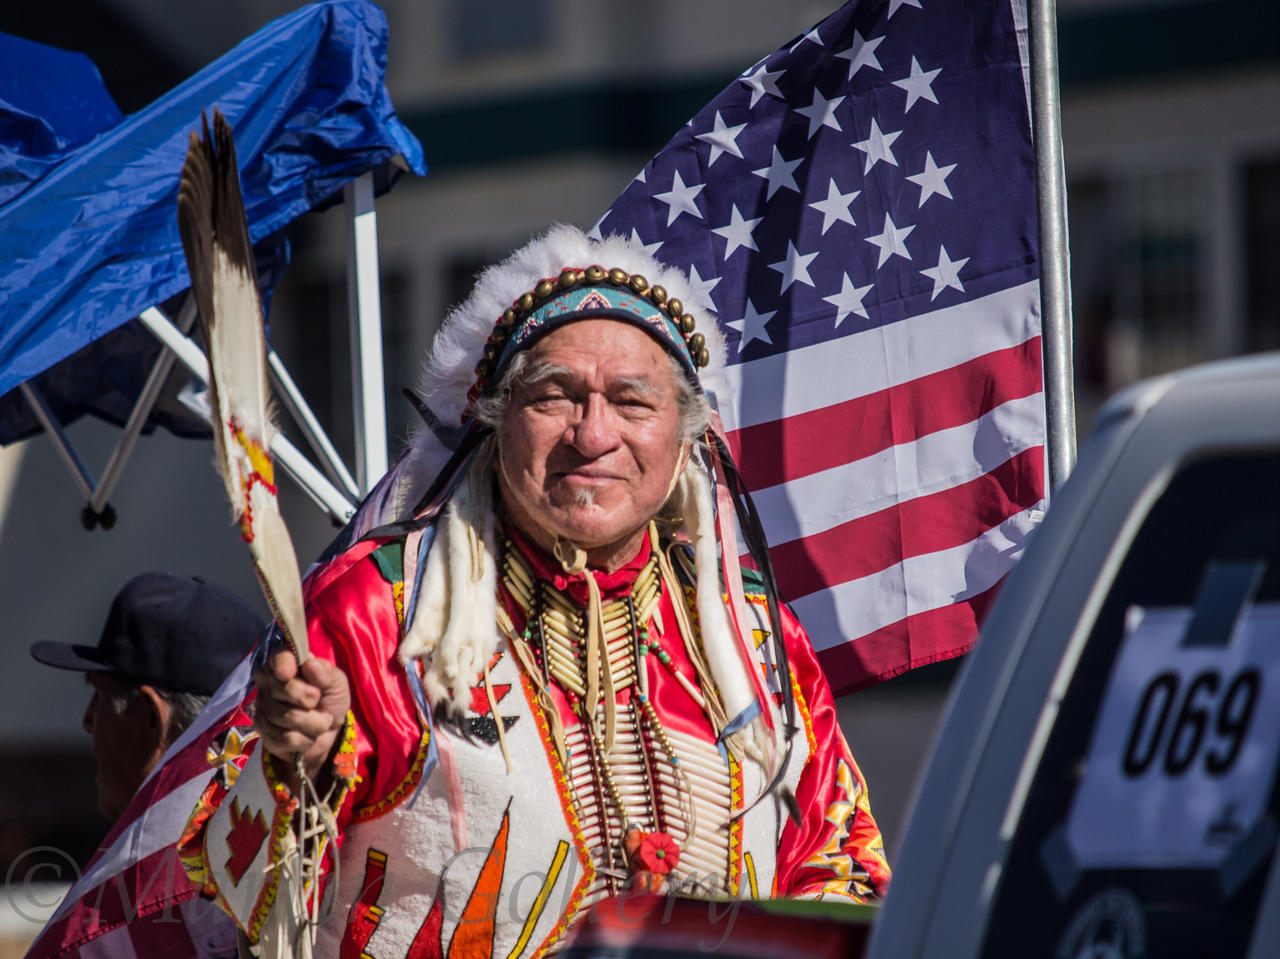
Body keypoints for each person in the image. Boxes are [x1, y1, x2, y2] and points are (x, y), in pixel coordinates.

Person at [181, 226, 890, 958]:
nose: (593, 434)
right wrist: (299, 764)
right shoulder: (381, 611)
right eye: (555, 396)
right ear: (492, 420)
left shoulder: (754, 641)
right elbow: (234, 903)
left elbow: (840, 868)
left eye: (632, 402)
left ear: (684, 437)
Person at [30, 571, 266, 822]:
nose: (87, 722)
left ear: (150, 718)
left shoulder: (152, 859)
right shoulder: (276, 843)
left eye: (100, 697)